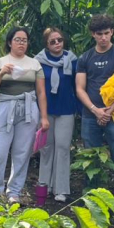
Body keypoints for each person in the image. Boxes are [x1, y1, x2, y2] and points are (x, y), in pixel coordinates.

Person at [75, 14, 114, 210]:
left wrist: (110, 110)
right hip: (90, 115)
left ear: (112, 32)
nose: (103, 37)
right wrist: (95, 110)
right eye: (99, 34)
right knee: (91, 159)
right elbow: (79, 88)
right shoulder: (85, 58)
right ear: (93, 34)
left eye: (107, 33)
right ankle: (92, 204)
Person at [0, 26, 50, 203]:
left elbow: (41, 92)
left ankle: (14, 191)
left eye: (24, 40)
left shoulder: (34, 64)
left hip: (28, 108)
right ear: (9, 42)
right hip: (4, 107)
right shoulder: (0, 62)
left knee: (22, 152)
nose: (21, 43)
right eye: (17, 39)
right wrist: (2, 73)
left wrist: (44, 117)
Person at [34, 27, 77, 203]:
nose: (57, 43)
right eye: (52, 41)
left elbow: (78, 85)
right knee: (46, 148)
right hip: (45, 110)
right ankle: (44, 184)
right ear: (46, 44)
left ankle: (61, 189)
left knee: (63, 147)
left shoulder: (73, 60)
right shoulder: (38, 61)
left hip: (66, 109)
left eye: (59, 40)